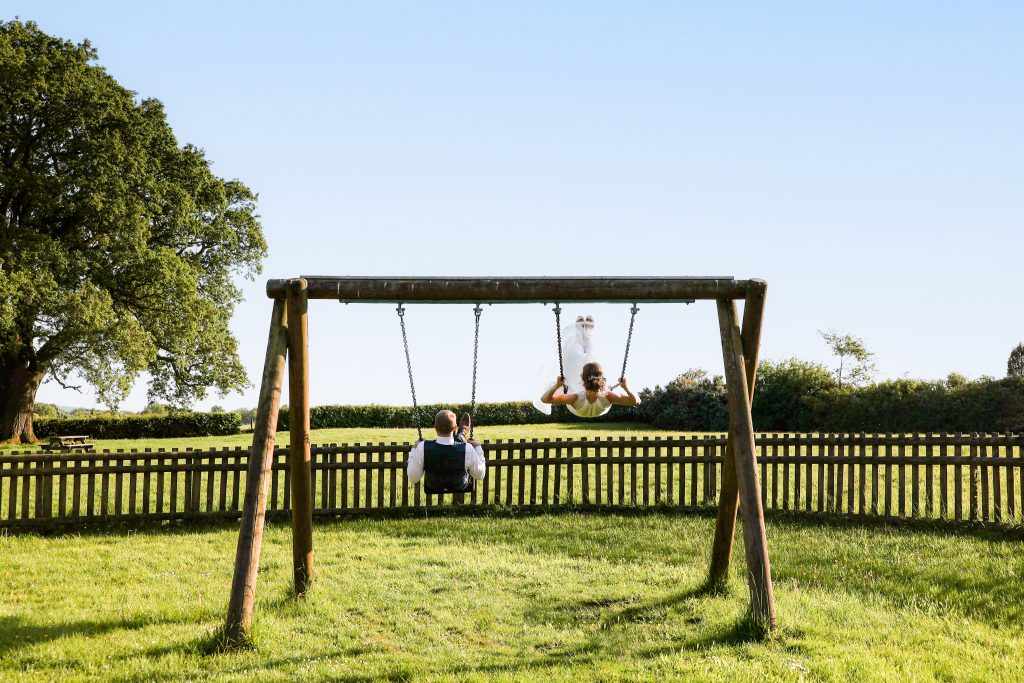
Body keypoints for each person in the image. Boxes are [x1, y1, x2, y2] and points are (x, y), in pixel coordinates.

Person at [407, 410, 486, 494]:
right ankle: (462, 433)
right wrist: (477, 448)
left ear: (435, 427)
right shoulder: (468, 448)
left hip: (433, 485)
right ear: (455, 427)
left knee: (457, 444)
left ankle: (462, 433)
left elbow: (413, 478)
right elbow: (480, 475)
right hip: (459, 485)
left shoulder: (422, 447)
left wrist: (414, 449)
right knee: (459, 444)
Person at [539, 360, 640, 418]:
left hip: (577, 409)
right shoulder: (609, 396)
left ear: (582, 379)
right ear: (603, 379)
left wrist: (556, 386)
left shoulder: (575, 398)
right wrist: (626, 388)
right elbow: (635, 402)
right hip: (601, 408)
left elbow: (544, 399)